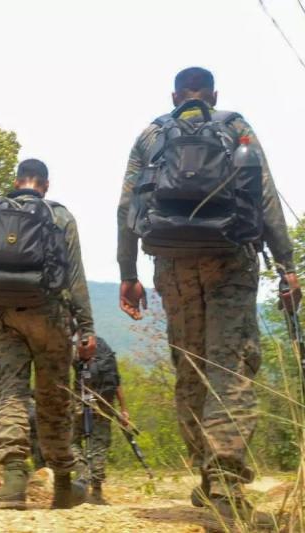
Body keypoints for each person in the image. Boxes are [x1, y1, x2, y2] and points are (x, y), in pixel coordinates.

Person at [117, 66, 300, 528]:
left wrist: (128, 273)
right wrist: (287, 266)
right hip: (230, 261)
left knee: (191, 367)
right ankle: (224, 488)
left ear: (174, 96)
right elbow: (265, 198)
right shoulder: (235, 128)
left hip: (173, 265)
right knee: (230, 368)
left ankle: (208, 471)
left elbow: (126, 208)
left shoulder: (151, 136)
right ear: (213, 95)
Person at [0, 158, 96, 510]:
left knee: (10, 393)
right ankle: (63, 485)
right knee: (54, 398)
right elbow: (76, 278)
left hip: (1, 315)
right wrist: (86, 328)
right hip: (50, 316)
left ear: (17, 181)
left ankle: (14, 482)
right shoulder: (60, 217)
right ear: (45, 185)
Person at [71, 336, 128, 505]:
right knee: (100, 446)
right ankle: (96, 491)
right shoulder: (106, 352)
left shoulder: (75, 349)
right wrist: (123, 409)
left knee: (71, 441)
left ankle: (82, 474)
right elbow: (117, 382)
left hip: (80, 402)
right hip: (104, 404)